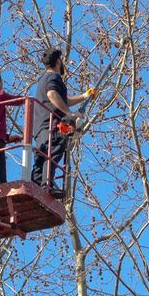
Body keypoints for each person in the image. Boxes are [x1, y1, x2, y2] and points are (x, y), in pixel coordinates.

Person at [30, 47, 93, 196]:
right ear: (58, 61)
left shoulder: (43, 79)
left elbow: (61, 99)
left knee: (42, 154)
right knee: (55, 150)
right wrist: (69, 114)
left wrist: (84, 96)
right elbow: (52, 95)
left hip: (40, 127)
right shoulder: (54, 77)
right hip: (52, 124)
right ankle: (47, 184)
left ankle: (36, 184)